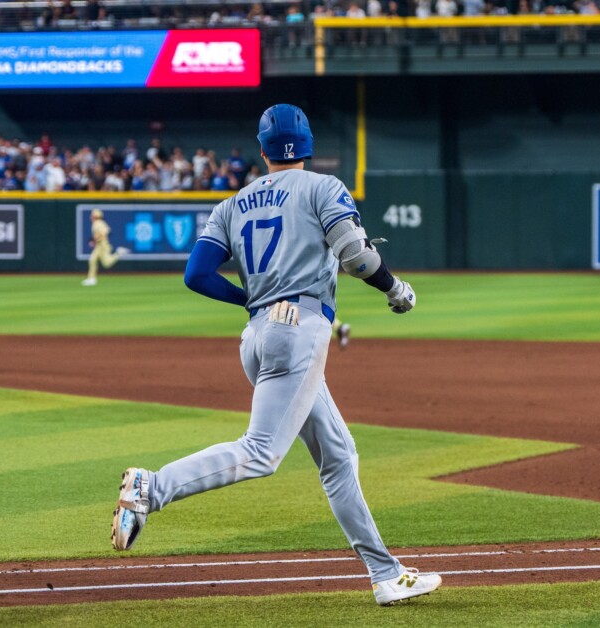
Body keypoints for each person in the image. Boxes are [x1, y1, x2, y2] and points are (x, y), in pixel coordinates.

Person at [111, 104, 439, 607]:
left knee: (338, 456)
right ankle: (151, 487)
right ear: (307, 145)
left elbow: (196, 275)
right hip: (299, 331)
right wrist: (395, 289)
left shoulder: (231, 205)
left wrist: (253, 302)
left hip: (259, 336)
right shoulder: (323, 188)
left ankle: (385, 573)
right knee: (261, 453)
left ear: (263, 150)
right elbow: (356, 255)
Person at [82, 208, 129, 286]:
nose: (91, 217)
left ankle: (118, 253)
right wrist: (95, 240)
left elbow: (105, 232)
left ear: (95, 216)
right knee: (92, 260)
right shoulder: (99, 223)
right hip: (100, 245)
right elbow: (107, 230)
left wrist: (94, 240)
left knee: (106, 263)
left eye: (92, 215)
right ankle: (91, 279)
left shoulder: (98, 223)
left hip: (103, 245)